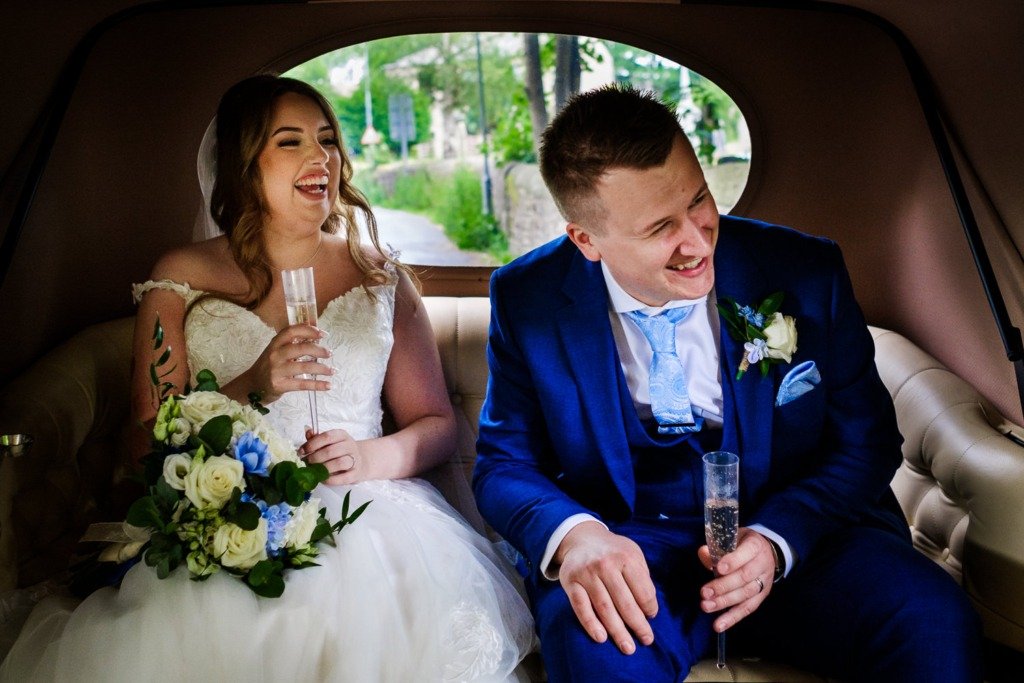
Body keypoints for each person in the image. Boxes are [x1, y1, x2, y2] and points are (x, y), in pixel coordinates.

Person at [0, 74, 535, 682]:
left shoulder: (380, 275)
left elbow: (435, 424)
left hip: (371, 512)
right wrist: (253, 385)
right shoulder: (180, 278)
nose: (321, 157)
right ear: (244, 165)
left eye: (328, 139)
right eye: (291, 141)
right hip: (230, 511)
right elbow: (149, 440)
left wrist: (370, 455)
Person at [473, 84, 983, 682]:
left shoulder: (804, 271)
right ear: (586, 240)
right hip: (631, 546)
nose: (697, 240)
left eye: (699, 201)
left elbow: (866, 442)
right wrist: (577, 537)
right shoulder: (527, 297)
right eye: (661, 227)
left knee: (934, 620)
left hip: (804, 539)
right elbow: (502, 462)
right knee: (592, 649)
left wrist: (774, 540)